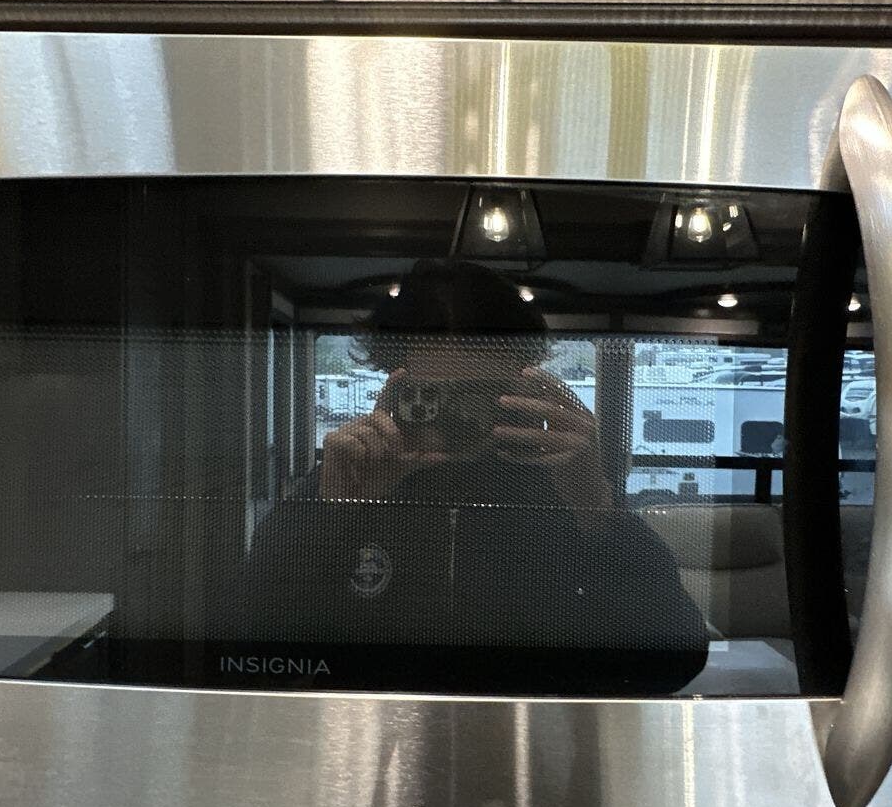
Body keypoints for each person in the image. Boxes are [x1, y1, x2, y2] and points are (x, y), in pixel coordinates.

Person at [239, 259, 707, 695]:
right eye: (431, 397)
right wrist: (332, 517)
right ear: (393, 384)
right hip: (376, 738)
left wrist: (598, 510)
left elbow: (673, 661)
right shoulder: (350, 482)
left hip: (530, 739)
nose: (455, 423)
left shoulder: (562, 490)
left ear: (522, 387)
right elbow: (255, 652)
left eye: (480, 397)